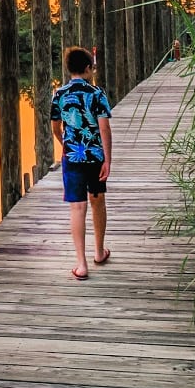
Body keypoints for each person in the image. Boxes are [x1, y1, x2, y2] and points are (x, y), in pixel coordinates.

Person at [50, 46, 112, 282]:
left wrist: (64, 143)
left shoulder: (59, 94)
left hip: (72, 155)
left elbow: (55, 126)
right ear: (87, 68)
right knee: (97, 200)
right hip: (95, 155)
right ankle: (98, 252)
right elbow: (104, 127)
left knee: (77, 207)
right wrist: (107, 158)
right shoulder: (97, 94)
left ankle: (81, 264)